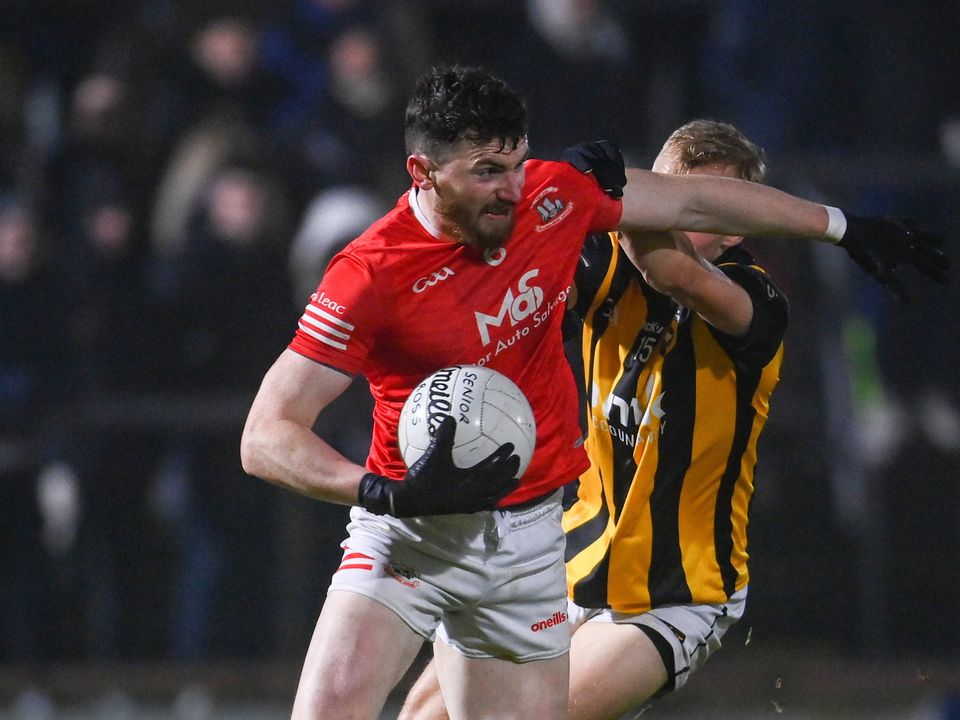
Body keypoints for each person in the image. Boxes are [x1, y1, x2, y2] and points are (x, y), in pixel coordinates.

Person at [240, 66, 948, 720]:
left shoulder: (752, 300)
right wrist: (379, 490)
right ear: (422, 173)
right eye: (490, 170)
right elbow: (266, 433)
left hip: (654, 586)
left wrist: (842, 229)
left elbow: (680, 249)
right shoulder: (383, 269)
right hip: (464, 537)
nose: (513, 189)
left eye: (517, 167)